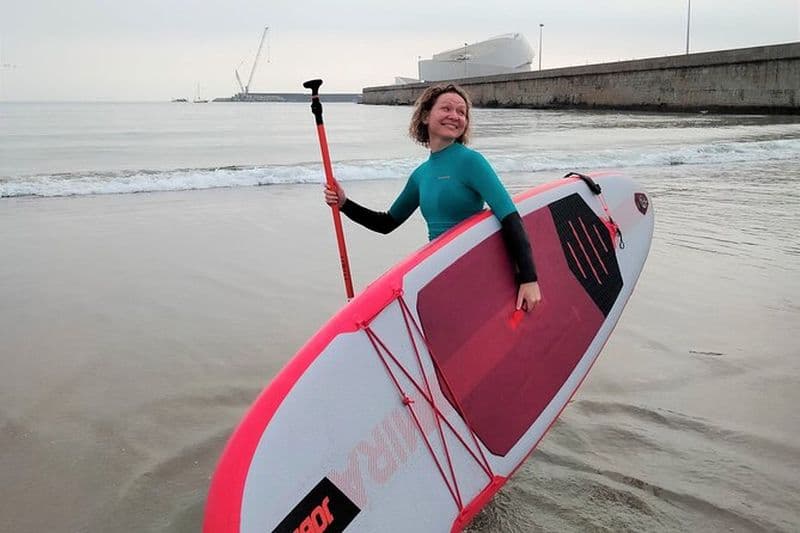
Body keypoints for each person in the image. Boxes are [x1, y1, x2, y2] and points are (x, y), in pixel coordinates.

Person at [324, 83, 541, 312]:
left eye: (461, 112)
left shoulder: (471, 161)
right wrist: (344, 204)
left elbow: (510, 217)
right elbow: (386, 223)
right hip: (442, 270)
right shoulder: (421, 175)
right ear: (426, 115)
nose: (454, 116)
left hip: (478, 268)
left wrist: (529, 279)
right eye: (446, 108)